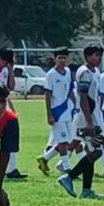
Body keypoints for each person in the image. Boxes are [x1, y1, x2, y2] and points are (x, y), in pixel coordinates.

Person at [57, 44, 104, 199]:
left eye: (99, 55)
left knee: (92, 151)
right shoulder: (84, 72)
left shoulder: (95, 72)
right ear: (88, 56)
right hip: (86, 119)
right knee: (97, 151)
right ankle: (68, 177)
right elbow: (83, 96)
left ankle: (86, 190)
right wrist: (89, 121)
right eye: (96, 55)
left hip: (92, 117)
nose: (98, 58)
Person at [37, 47, 76, 175]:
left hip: (68, 111)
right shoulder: (51, 74)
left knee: (69, 140)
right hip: (57, 111)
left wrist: (76, 104)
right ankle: (66, 167)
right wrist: (49, 114)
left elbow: (70, 90)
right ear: (55, 59)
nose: (62, 60)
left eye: (64, 57)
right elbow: (48, 94)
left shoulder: (68, 72)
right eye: (60, 57)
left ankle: (45, 158)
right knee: (63, 141)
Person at [0, 47, 26, 179]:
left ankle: (12, 168)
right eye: (6, 62)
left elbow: (11, 88)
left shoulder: (6, 69)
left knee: (12, 135)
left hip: (4, 103)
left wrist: (10, 70)